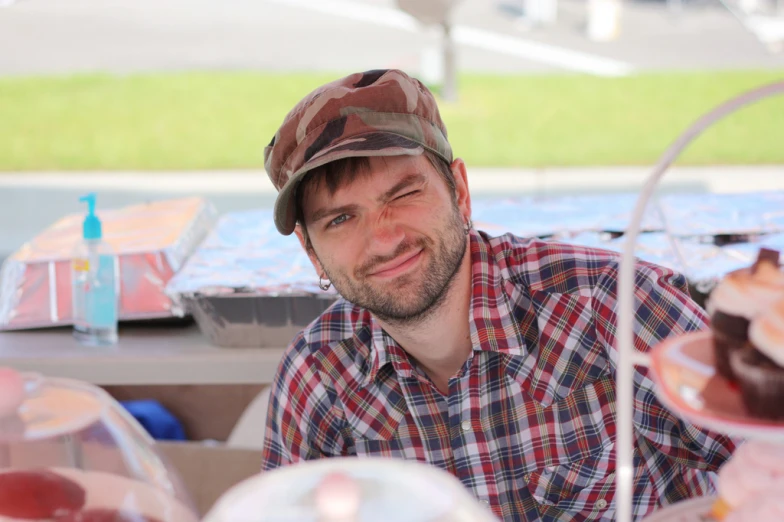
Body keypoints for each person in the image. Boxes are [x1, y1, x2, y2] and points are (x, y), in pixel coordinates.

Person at [259, 69, 735, 521]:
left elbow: (767, 451)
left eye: (403, 195)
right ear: (312, 252)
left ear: (460, 193)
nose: (383, 238)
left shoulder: (610, 303)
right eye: (341, 218)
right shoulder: (318, 373)